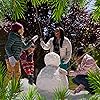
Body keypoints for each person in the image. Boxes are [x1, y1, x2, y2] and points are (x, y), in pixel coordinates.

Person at [4, 22, 38, 87]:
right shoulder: (13, 36)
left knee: (18, 74)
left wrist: (32, 41)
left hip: (16, 58)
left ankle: (13, 88)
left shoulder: (19, 38)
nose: (23, 30)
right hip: (10, 58)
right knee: (10, 73)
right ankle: (2, 88)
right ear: (18, 29)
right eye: (22, 29)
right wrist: (11, 57)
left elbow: (24, 47)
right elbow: (7, 47)